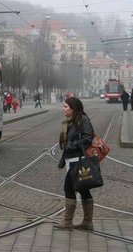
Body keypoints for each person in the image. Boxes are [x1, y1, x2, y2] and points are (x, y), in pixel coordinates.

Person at [54, 97, 95, 230]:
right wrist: (62, 161)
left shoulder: (82, 120)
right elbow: (66, 146)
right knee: (83, 189)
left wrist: (72, 145)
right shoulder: (70, 122)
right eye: (64, 106)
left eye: (66, 107)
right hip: (71, 160)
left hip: (78, 161)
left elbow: (88, 138)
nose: (63, 109)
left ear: (73, 108)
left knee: (69, 188)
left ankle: (67, 222)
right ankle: (87, 222)